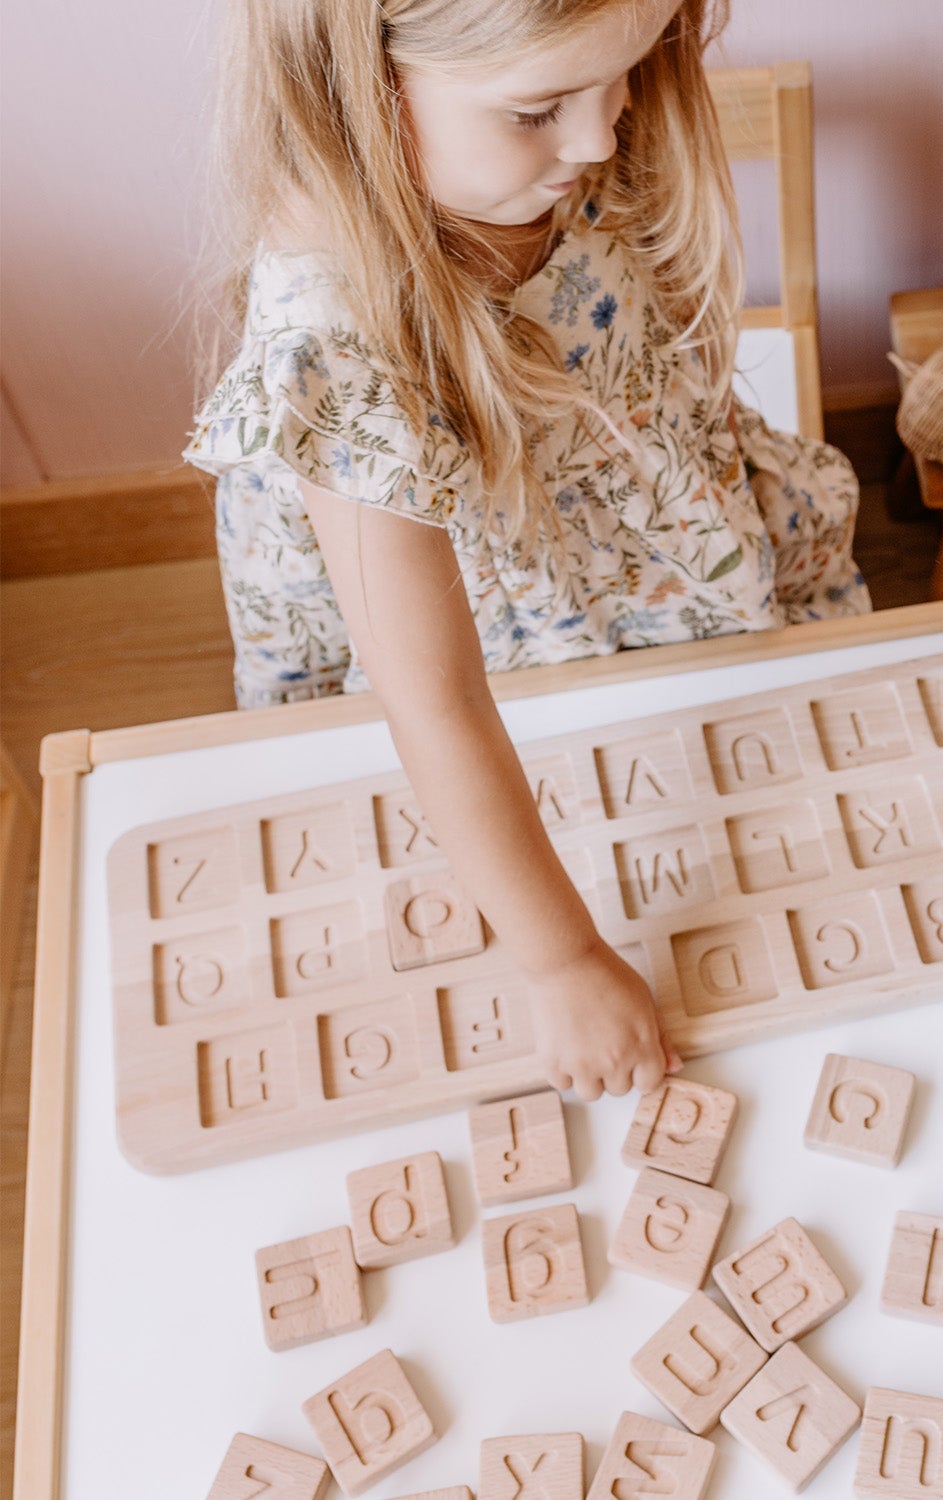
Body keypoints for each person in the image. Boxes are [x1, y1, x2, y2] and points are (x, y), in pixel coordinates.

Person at [185, 0, 870, 1105]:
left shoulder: (564, 141)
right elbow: (437, 702)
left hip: (651, 550)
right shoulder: (336, 332)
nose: (600, 139)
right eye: (541, 109)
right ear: (364, 81)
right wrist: (562, 960)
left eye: (628, 74)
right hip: (500, 645)